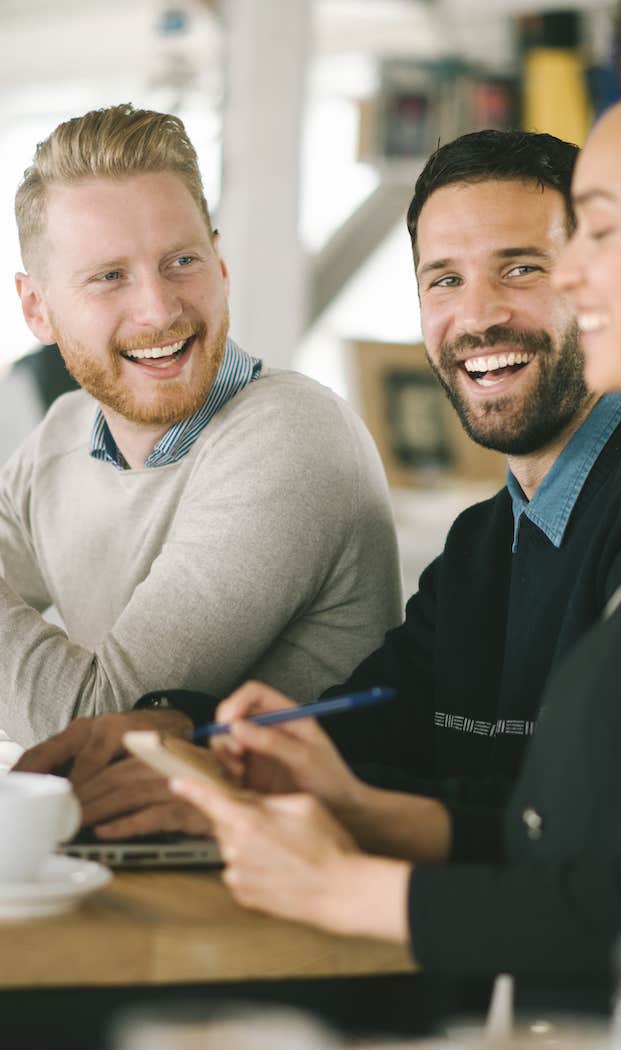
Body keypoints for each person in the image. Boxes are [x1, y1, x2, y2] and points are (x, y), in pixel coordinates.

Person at [172, 0, 621, 1015]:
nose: (570, 276)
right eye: (444, 277)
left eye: (600, 232)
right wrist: (357, 806)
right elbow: (593, 835)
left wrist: (353, 890)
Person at [18, 130, 621, 840]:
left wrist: (281, 800)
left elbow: (618, 827)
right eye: (446, 280)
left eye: (521, 269)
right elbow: (371, 726)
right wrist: (181, 732)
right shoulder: (484, 545)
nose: (480, 315)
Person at [1, 104, 401, 757]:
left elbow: (107, 728)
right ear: (36, 308)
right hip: (131, 850)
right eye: (109, 277)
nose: (158, 310)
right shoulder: (65, 431)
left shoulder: (292, 436)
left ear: (220, 265)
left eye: (180, 261)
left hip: (280, 853)